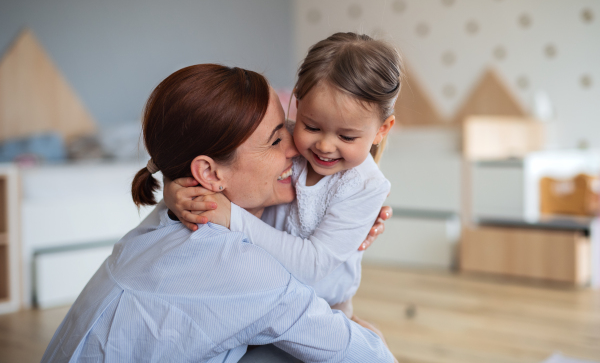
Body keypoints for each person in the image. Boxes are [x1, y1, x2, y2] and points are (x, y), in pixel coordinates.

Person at [42, 64, 395, 363]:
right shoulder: (239, 265)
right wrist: (371, 335)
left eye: (289, 128)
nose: (298, 149)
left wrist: (344, 221)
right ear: (209, 174)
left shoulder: (175, 212)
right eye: (276, 140)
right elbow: (363, 353)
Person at [165, 33, 401, 328]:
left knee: (365, 345)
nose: (325, 146)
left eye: (346, 136)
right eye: (312, 126)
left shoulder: (365, 186)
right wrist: (174, 191)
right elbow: (212, 164)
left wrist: (232, 217)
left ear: (382, 129)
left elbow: (313, 265)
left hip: (326, 304)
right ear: (298, 105)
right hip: (265, 291)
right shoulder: (283, 139)